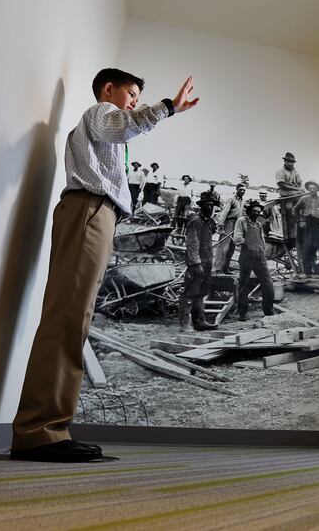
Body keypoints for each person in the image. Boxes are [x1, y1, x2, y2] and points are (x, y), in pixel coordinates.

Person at [11, 68, 198, 463]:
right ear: (108, 90)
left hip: (99, 214)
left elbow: (124, 128)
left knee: (75, 318)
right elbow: (123, 125)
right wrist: (167, 107)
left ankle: (51, 427)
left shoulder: (106, 125)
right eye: (131, 94)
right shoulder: (99, 113)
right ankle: (39, 431)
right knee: (67, 317)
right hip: (89, 210)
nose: (133, 103)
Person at [180, 191, 219, 333]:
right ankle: (184, 324)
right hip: (197, 262)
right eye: (208, 204)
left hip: (208, 261)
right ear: (202, 205)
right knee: (190, 293)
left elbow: (213, 233)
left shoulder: (209, 221)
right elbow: (192, 243)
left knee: (201, 293)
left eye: (212, 205)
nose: (210, 207)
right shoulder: (195, 221)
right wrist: (195, 263)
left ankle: (199, 321)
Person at [234, 199, 275, 321]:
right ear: (249, 211)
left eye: (258, 211)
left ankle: (269, 311)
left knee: (268, 284)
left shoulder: (259, 225)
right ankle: (242, 313)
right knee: (244, 284)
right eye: (254, 211)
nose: (256, 213)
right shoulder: (241, 221)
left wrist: (262, 250)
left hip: (260, 257)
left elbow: (262, 240)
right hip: (246, 256)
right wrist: (246, 243)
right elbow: (237, 237)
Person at [213, 182, 246, 274]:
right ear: (237, 189)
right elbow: (223, 213)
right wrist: (220, 226)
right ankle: (218, 268)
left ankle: (225, 268)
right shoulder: (231, 199)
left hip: (237, 224)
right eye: (241, 190)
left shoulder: (242, 201)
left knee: (232, 247)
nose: (242, 191)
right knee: (224, 246)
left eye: (244, 190)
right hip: (229, 223)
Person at [275, 152, 303, 250]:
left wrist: (300, 188)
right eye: (289, 162)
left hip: (295, 191)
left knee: (303, 195)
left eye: (292, 162)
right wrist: (296, 189)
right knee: (298, 195)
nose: (291, 164)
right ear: (285, 161)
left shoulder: (295, 172)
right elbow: (282, 185)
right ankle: (295, 224)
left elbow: (300, 183)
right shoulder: (280, 171)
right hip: (284, 191)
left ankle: (301, 218)